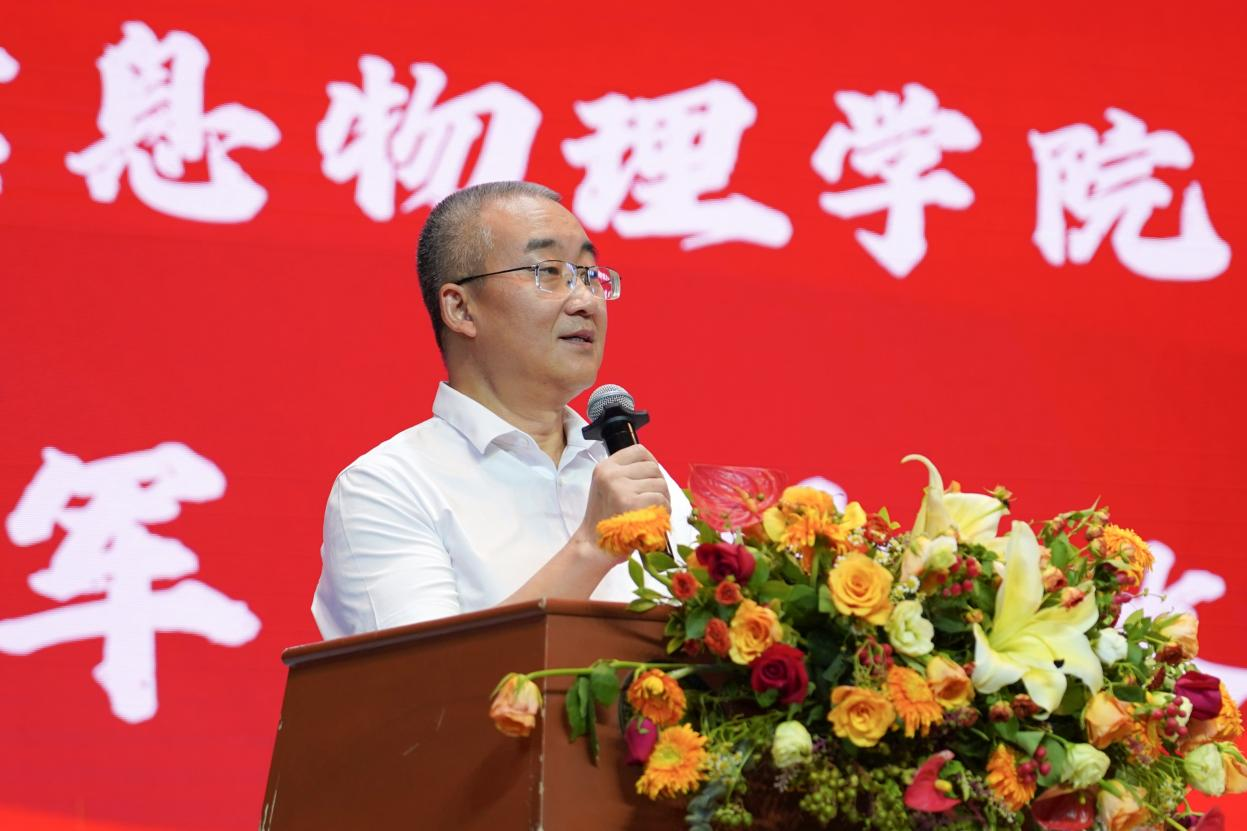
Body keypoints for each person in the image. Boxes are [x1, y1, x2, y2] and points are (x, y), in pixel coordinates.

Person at [312, 181, 691, 638]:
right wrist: (590, 548)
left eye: (591, 275)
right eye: (549, 272)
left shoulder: (629, 470)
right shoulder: (387, 488)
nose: (586, 300)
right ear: (460, 309)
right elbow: (429, 675)